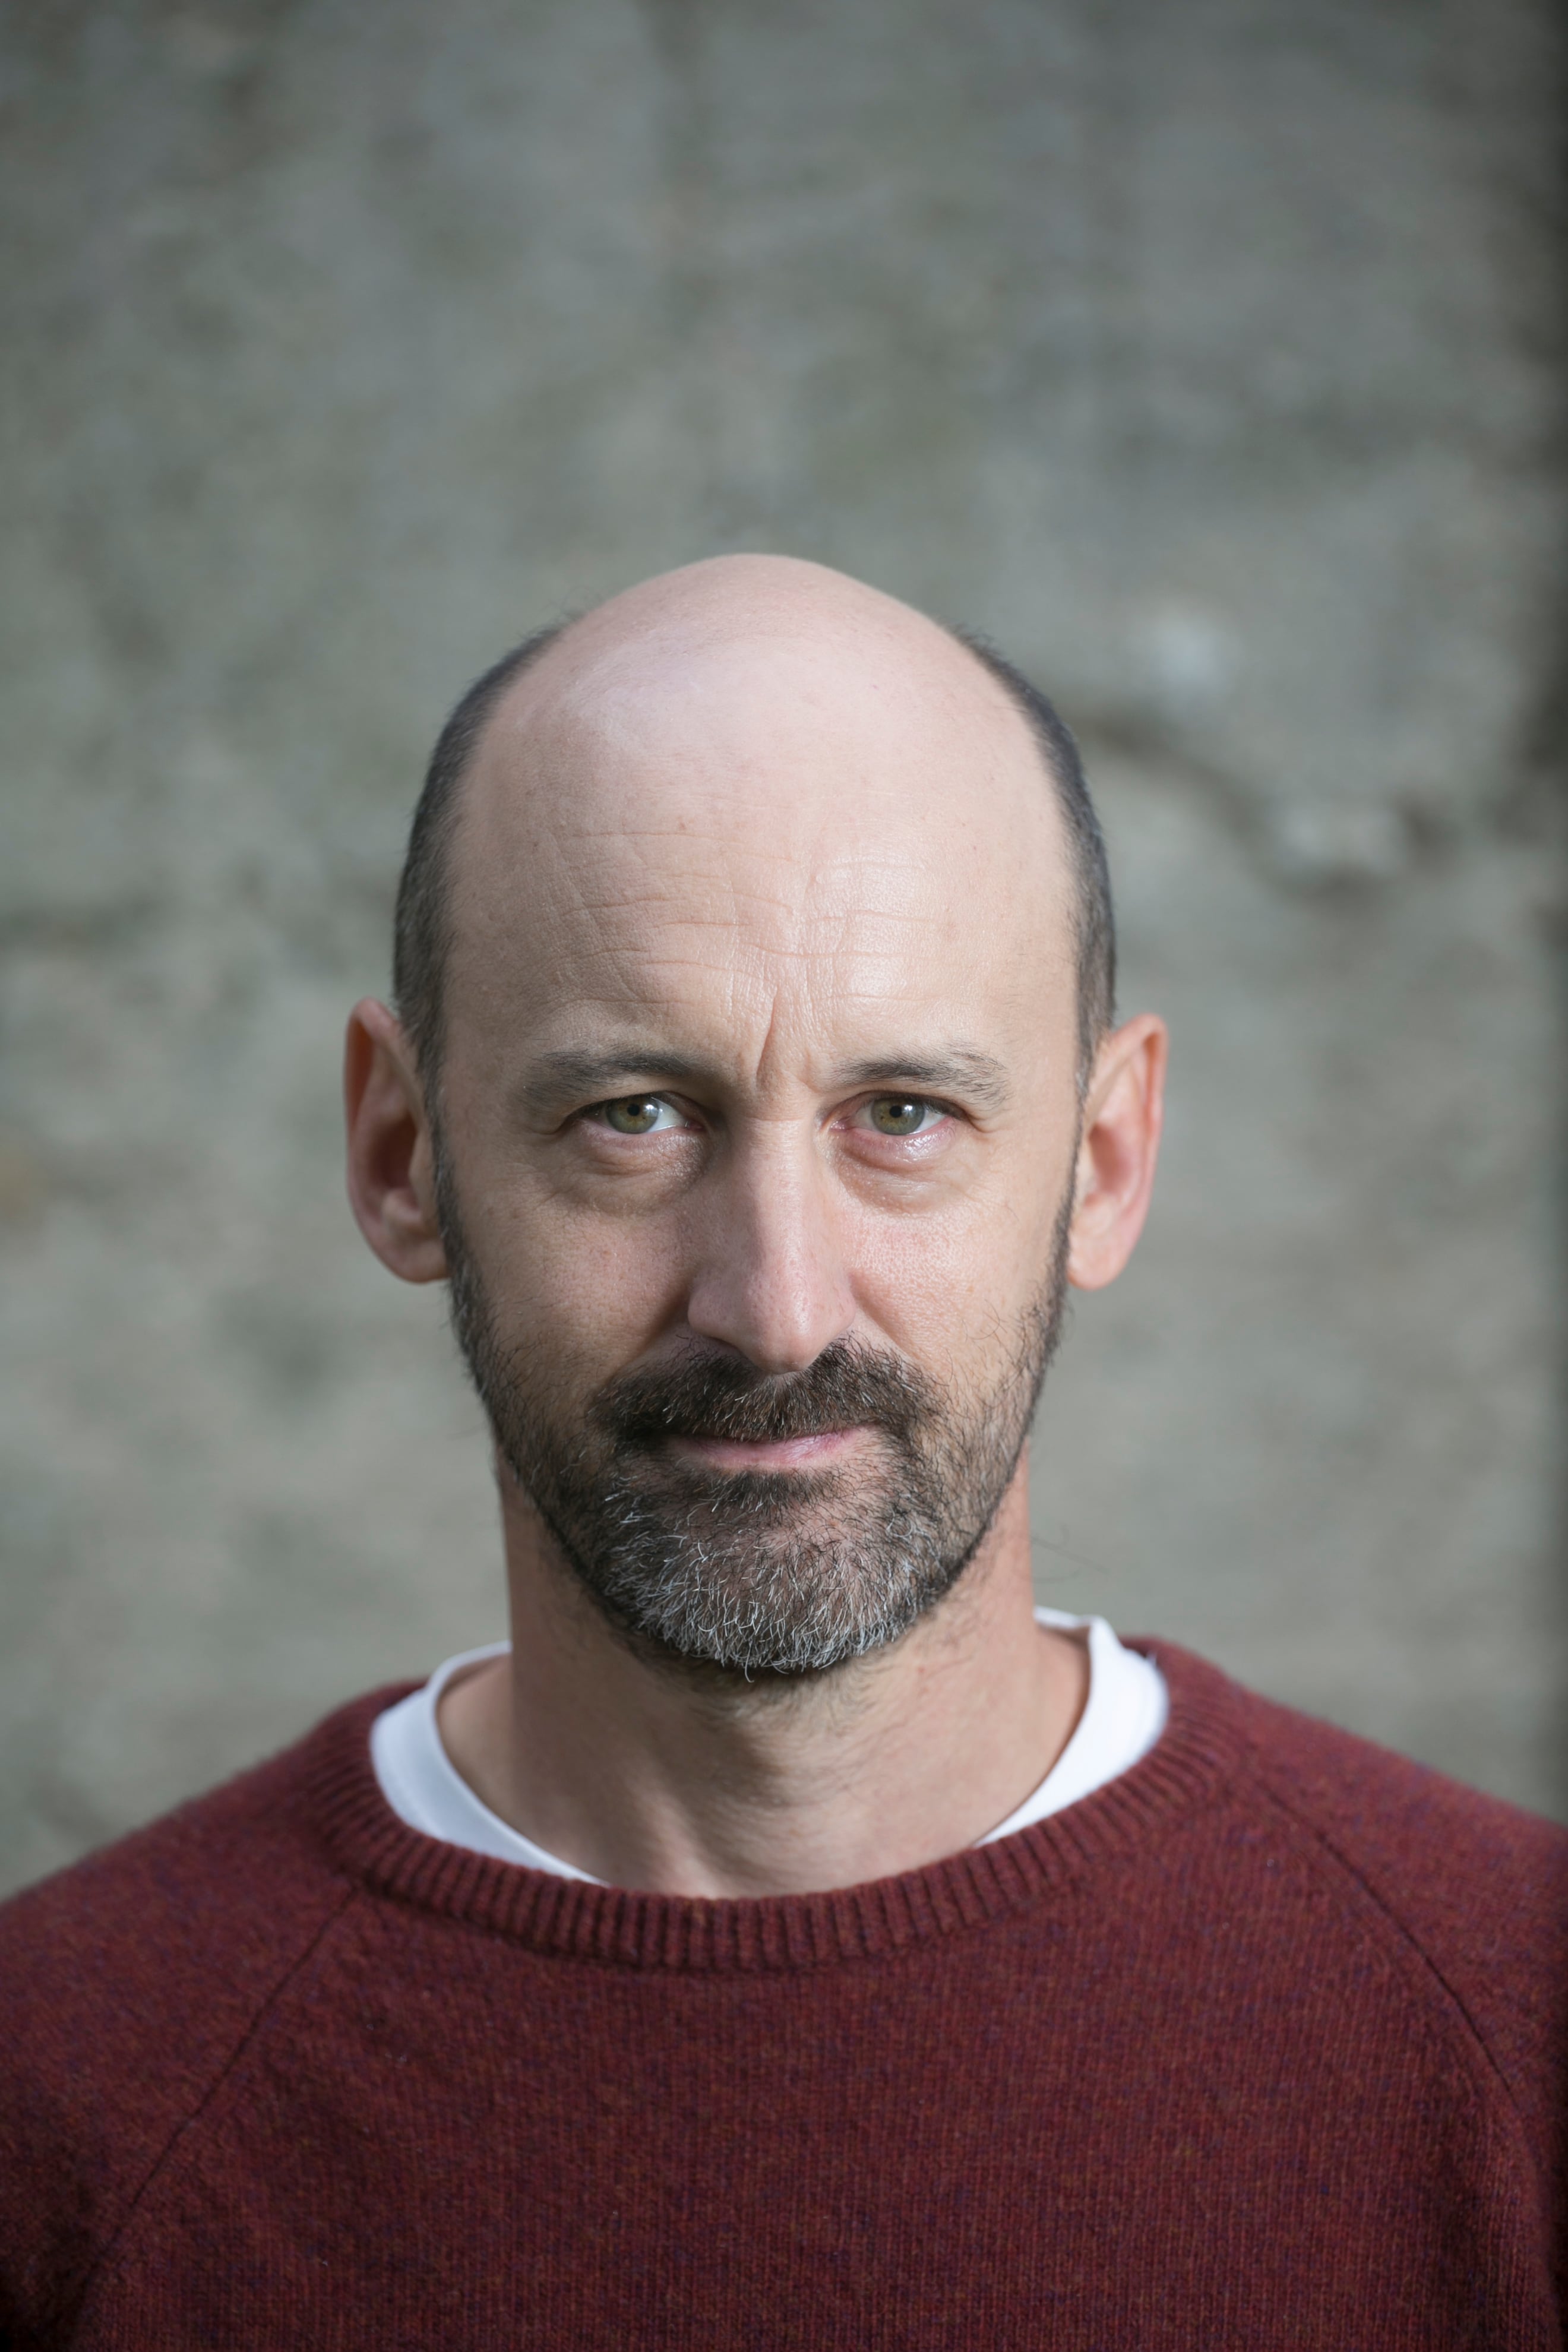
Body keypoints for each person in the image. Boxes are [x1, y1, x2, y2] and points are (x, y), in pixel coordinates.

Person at [1, 556, 1562, 2350]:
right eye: (635, 1116)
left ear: (1106, 1162)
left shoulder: (1519, 2037)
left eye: (903, 1116)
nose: (778, 1305)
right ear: (400, 1155)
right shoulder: (62, 2114)